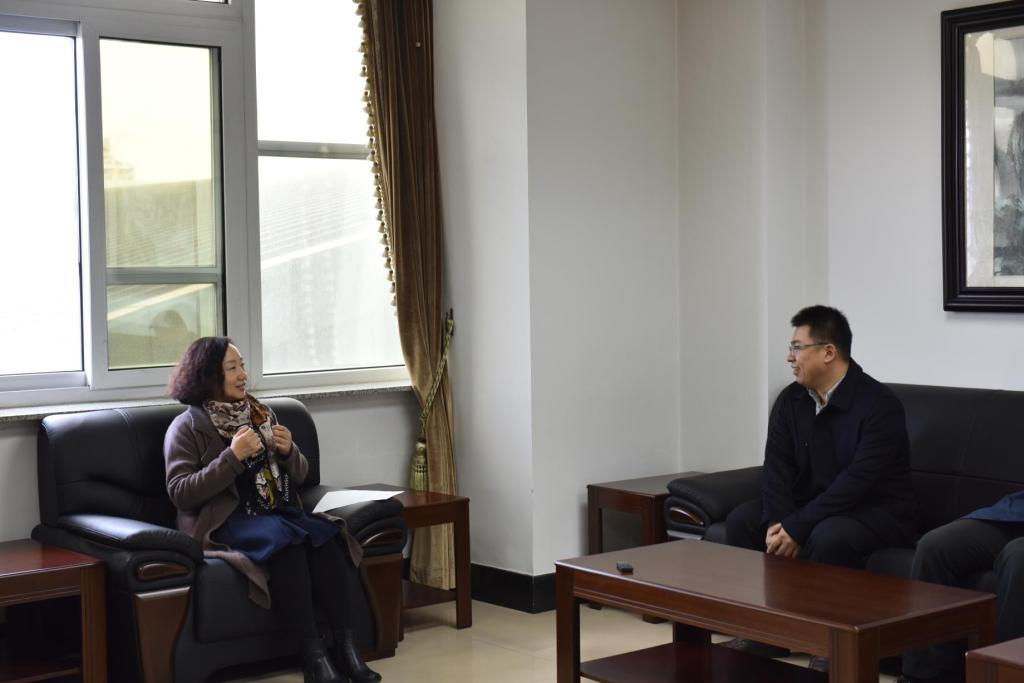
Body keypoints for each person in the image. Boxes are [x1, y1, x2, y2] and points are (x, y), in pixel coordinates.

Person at [164, 336, 380, 683]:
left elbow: (302, 476)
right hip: (227, 521)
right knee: (288, 543)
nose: (242, 375)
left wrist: (289, 451)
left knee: (328, 537)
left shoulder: (262, 414)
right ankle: (314, 657)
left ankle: (346, 648)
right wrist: (232, 457)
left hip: (275, 512)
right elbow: (181, 493)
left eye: (242, 366)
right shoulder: (187, 427)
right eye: (232, 368)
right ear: (209, 376)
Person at [722, 305, 917, 671]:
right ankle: (766, 631)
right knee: (743, 521)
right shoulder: (792, 399)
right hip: (812, 504)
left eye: (797, 347)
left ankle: (829, 643)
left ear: (828, 352)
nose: (789, 357)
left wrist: (798, 525)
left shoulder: (879, 405)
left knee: (829, 536)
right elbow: (776, 467)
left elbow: (857, 482)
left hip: (874, 511)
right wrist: (779, 522)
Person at [897, 500, 1024, 683]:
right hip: (1014, 513)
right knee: (933, 546)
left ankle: (1006, 677)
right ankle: (918, 676)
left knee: (1017, 559)